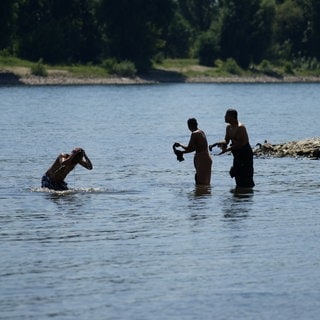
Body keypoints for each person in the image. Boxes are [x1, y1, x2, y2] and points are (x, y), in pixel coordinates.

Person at [209, 109, 254, 188]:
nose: (224, 117)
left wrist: (227, 150)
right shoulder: (228, 127)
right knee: (236, 174)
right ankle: (239, 195)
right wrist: (216, 144)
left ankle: (247, 195)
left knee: (246, 176)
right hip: (236, 154)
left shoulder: (241, 128)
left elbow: (241, 144)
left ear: (232, 117)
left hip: (245, 154)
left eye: (226, 115)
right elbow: (226, 140)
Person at [174, 118, 212, 185]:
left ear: (188, 126)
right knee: (203, 182)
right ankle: (203, 194)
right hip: (206, 158)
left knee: (201, 182)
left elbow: (189, 149)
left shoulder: (194, 134)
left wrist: (181, 152)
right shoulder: (201, 132)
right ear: (196, 124)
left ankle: (201, 194)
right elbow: (192, 148)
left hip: (202, 159)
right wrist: (180, 145)